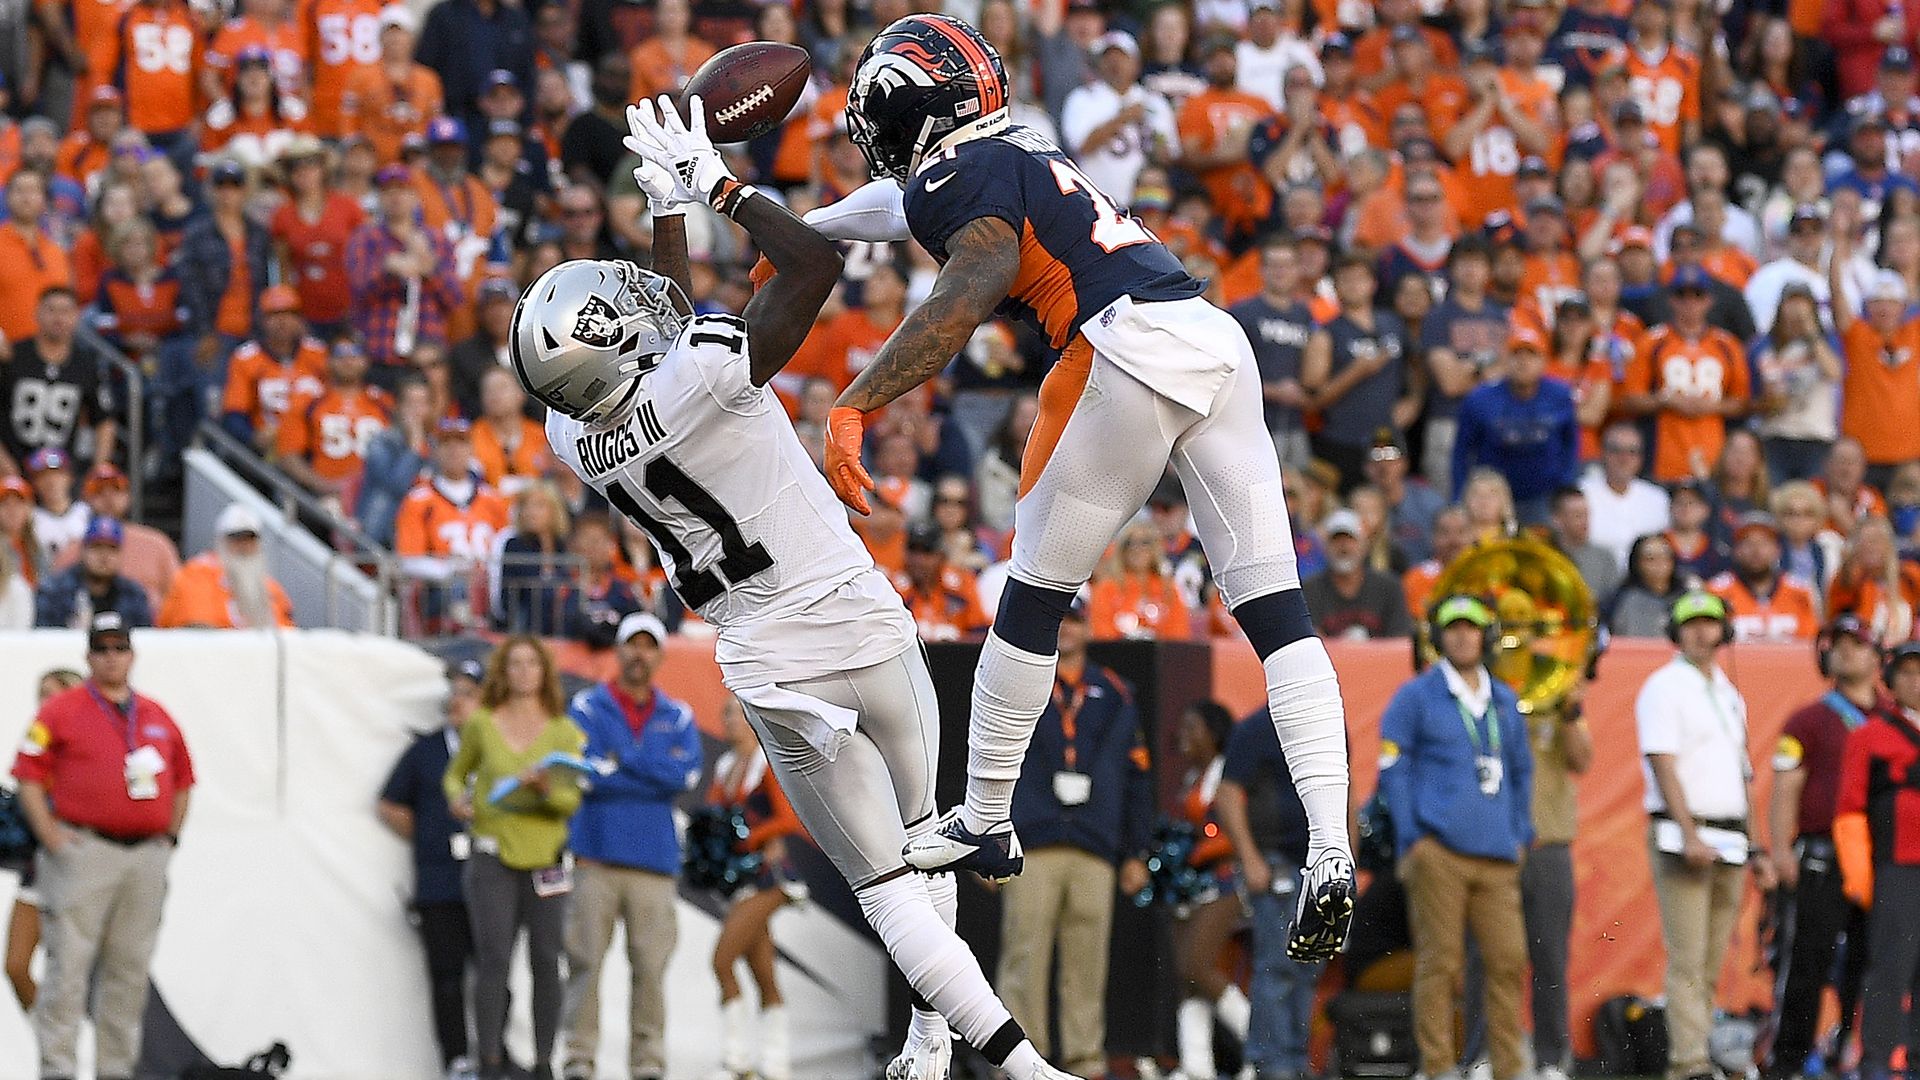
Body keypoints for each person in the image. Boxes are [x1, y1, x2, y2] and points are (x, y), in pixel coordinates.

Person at [521, 94, 1086, 1080]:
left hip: (770, 657)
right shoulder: (698, 372)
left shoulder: (572, 436)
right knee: (925, 845)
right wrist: (718, 189)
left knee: (886, 886)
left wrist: (665, 217)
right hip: (860, 619)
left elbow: (669, 331)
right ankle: (998, 1063)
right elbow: (812, 269)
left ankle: (951, 1050)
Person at [823, 17, 1355, 965]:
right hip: (1210, 333)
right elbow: (894, 206)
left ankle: (986, 814)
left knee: (1030, 598)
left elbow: (973, 268)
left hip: (1123, 348)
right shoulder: (1014, 147)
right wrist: (752, 205)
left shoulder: (958, 174)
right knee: (1278, 612)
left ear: (903, 109)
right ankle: (1330, 844)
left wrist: (859, 401)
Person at [12, 612, 195, 1080]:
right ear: (89, 655)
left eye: (119, 648)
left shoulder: (154, 715)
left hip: (144, 856)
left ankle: (117, 1071)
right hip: (84, 850)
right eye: (102, 648)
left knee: (128, 972)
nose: (111, 657)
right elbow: (28, 774)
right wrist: (51, 834)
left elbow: (183, 779)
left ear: (132, 654)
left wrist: (169, 835)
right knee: (66, 972)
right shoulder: (61, 710)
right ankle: (58, 1071)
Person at [1379, 596, 1535, 1080]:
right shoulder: (1416, 696)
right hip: (1438, 851)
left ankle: (1509, 1068)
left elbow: (1522, 772)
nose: (1463, 636)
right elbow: (1392, 768)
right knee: (1440, 964)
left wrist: (1520, 833)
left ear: (1487, 636)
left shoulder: (1506, 700)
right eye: (1453, 629)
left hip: (1497, 854)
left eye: (1471, 628)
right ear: (1438, 637)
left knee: (1508, 962)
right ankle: (1439, 1067)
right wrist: (1412, 838)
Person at [999, 599, 1152, 1079]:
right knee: (1025, 950)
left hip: (1094, 840)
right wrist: (989, 837)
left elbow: (1137, 776)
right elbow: (993, 760)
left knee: (1088, 956)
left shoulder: (1116, 692)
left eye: (1076, 620)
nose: (1067, 629)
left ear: (1089, 628)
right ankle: (1022, 1058)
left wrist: (1137, 850)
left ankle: (1085, 1060)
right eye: (1060, 619)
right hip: (1034, 842)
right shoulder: (1023, 682)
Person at [1638, 592, 1777, 1080]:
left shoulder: (1726, 691)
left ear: (1725, 632)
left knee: (1713, 955)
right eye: (1692, 624)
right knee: (1689, 956)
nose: (1702, 632)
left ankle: (1700, 1049)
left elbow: (1742, 776)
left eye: (1710, 624)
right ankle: (1688, 1062)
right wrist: (1689, 832)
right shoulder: (1664, 687)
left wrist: (1757, 846)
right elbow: (1663, 762)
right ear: (1676, 632)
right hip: (1686, 832)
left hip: (1731, 834)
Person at [560, 613, 703, 1080]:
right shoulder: (586, 706)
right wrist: (650, 770)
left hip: (654, 863)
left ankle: (648, 1066)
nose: (639, 655)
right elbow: (584, 774)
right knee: (584, 964)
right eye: (631, 645)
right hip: (595, 856)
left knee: (650, 970)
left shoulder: (676, 714)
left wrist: (624, 761)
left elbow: (685, 777)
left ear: (660, 655)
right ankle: (579, 1062)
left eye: (648, 646)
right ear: (618, 651)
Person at [443, 636, 587, 1080]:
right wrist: (457, 800)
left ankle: (544, 1063)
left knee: (547, 960)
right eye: (515, 664)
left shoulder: (564, 731)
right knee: (494, 961)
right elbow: (455, 776)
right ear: (503, 672)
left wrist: (546, 790)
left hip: (545, 856)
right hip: (493, 855)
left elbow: (569, 801)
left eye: (532, 664)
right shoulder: (482, 723)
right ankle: (489, 1059)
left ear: (545, 672)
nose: (524, 672)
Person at [1763, 617, 1882, 1080]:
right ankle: (1788, 1060)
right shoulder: (1807, 720)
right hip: (1821, 854)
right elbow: (1786, 787)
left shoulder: (1892, 719)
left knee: (1868, 961)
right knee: (1806, 961)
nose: (1846, 653)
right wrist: (1781, 850)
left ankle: (1846, 1052)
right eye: (1838, 645)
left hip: (1877, 860)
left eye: (1858, 645)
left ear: (1876, 657)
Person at [378, 658, 484, 1080]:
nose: (457, 701)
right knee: (447, 976)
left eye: (468, 693)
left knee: (494, 975)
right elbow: (390, 804)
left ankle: (494, 1054)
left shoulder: (498, 745)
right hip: (441, 881)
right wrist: (428, 835)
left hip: (493, 877)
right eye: (454, 691)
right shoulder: (426, 752)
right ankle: (457, 1059)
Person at [1215, 704, 1318, 1080]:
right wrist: (1250, 856)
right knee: (1277, 966)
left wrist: (1345, 855)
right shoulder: (1257, 727)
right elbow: (1227, 794)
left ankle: (1295, 1060)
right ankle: (1272, 1063)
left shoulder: (1323, 721)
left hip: (1316, 862)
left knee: (1307, 967)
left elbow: (1346, 787)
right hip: (1276, 859)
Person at [704, 696, 805, 1080]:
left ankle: (736, 1061)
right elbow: (716, 817)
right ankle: (775, 1064)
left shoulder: (767, 761)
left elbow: (788, 817)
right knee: (762, 970)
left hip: (769, 876)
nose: (730, 720)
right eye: (725, 713)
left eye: (737, 714)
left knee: (722, 960)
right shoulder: (726, 765)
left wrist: (748, 836)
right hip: (740, 880)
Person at [1835, 642, 1920, 1080]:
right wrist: (1861, 878)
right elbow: (1849, 811)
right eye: (1906, 673)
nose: (1915, 681)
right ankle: (1876, 1063)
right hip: (1896, 870)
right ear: (1891, 680)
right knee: (1891, 969)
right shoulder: (1868, 736)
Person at [1160, 701, 1251, 1080]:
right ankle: (1197, 1066)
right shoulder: (1192, 778)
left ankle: (1261, 1045)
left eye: (1192, 727)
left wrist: (1195, 849)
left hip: (1226, 881)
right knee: (1188, 975)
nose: (1184, 735)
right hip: (1194, 886)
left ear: (1214, 734)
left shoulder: (1227, 775)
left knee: (1196, 966)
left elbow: (1232, 832)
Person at [3, 668, 85, 1014]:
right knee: (16, 964)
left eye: (54, 695)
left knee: (69, 971)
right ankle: (50, 1043)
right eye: (42, 695)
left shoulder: (89, 746)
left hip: (77, 871)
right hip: (37, 872)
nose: (46, 704)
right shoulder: (35, 748)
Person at [1451, 325, 1581, 524]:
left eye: (1531, 355)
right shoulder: (1479, 399)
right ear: (1505, 359)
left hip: (1544, 495)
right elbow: (1461, 451)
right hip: (1494, 498)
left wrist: (1564, 486)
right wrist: (1460, 496)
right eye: (1516, 354)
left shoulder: (1560, 395)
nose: (1523, 362)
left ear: (1544, 360)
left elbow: (1570, 443)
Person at [0, 287, 114, 478]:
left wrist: (99, 468)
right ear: (37, 313)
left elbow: (104, 420)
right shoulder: (12, 356)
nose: (58, 318)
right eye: (51, 310)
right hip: (11, 470)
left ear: (77, 316)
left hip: (59, 477)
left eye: (65, 311)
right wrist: (4, 463)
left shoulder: (85, 364)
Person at [157, 503, 295, 629]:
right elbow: (198, 627)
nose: (244, 546)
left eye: (250, 539)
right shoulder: (197, 573)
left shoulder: (270, 587)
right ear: (221, 542)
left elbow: (285, 631)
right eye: (236, 539)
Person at [1706, 512, 1820, 642]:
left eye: (1764, 543)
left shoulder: (1799, 590)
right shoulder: (1716, 591)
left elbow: (1810, 641)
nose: (1756, 550)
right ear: (1736, 550)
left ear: (1777, 550)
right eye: (1748, 543)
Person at [1302, 509, 1414, 639]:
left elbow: (1400, 641)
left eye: (1351, 540)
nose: (1343, 546)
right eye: (1336, 540)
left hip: (1379, 659)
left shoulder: (1390, 588)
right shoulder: (1309, 590)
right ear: (1325, 546)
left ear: (1365, 545)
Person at [1581, 424, 1673, 573]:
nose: (1624, 458)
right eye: (1616, 450)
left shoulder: (1657, 498)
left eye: (1632, 452)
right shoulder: (1582, 494)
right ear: (1602, 453)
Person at [33, 517, 153, 629]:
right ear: (83, 550)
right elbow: (45, 639)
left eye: (112, 548)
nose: (104, 556)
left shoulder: (134, 594)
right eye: (97, 547)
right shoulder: (54, 591)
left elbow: (144, 641)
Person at [1088, 519, 1192, 641]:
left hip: (1161, 657)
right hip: (1117, 656)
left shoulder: (1168, 589)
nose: (1136, 549)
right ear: (1121, 549)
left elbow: (1178, 637)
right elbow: (1102, 637)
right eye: (1129, 543)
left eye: (1145, 542)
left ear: (1155, 547)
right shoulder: (1106, 588)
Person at [1609, 534, 1692, 637]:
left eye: (1665, 557)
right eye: (1651, 559)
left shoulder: (1687, 597)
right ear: (1637, 563)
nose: (1659, 563)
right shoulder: (1620, 600)